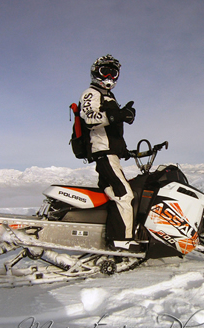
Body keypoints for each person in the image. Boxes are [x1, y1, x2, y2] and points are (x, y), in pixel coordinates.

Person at [79, 54, 138, 251]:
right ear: (96, 72)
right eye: (106, 71)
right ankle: (122, 244)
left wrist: (124, 151)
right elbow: (90, 119)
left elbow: (109, 131)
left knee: (113, 194)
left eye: (114, 72)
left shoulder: (108, 96)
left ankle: (108, 235)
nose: (110, 76)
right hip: (103, 154)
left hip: (110, 153)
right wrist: (117, 114)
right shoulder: (91, 93)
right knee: (124, 195)